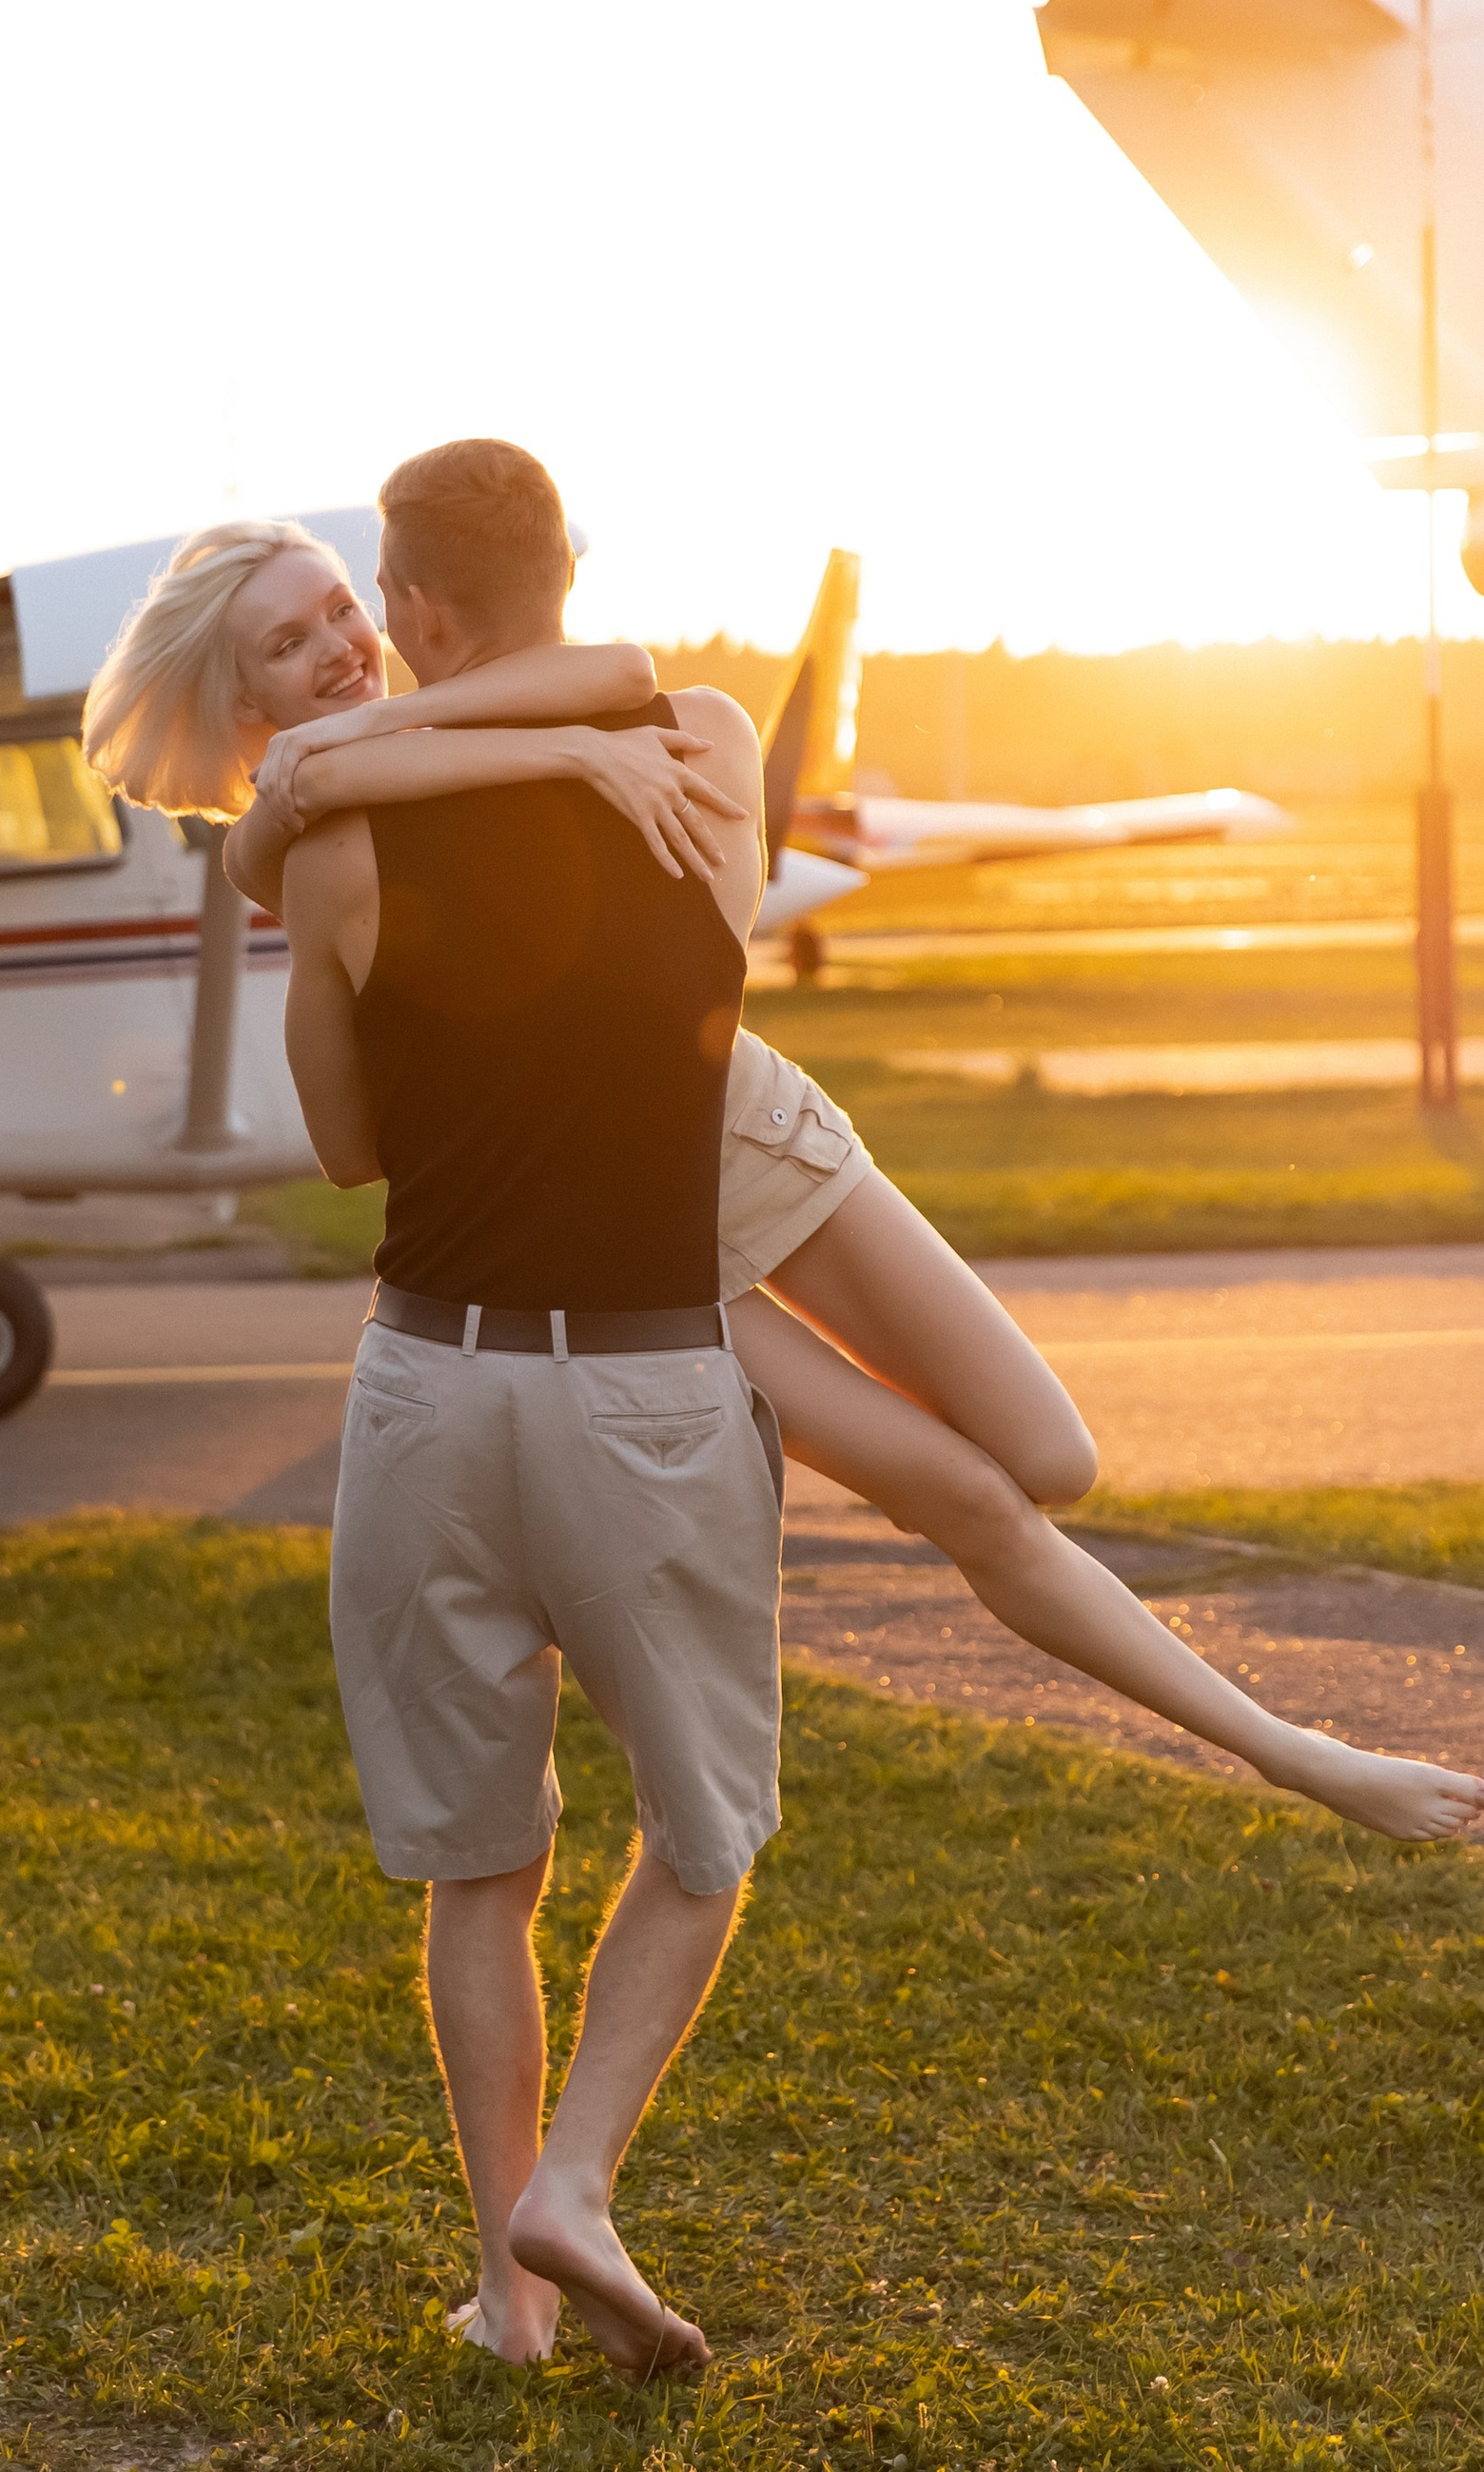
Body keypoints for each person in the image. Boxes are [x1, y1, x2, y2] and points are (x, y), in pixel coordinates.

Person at [83, 466, 1484, 1861]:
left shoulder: (532, 724)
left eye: (343, 608)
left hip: (741, 1138)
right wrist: (506, 759)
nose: (340, 645)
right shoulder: (324, 810)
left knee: (1051, 1456)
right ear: (252, 705)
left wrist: (448, 739)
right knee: (970, 1502)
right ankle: (1302, 1752)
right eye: (292, 643)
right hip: (610, 1234)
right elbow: (294, 819)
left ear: (397, 604)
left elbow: (599, 677)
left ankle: (1289, 1745)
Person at [281, 444, 775, 2376]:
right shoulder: (703, 746)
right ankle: (568, 2181)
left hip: (422, 1381)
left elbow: (338, 1146)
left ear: (407, 610)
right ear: (565, 571)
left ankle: (507, 2295)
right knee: (702, 1833)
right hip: (643, 1377)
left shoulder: (332, 839)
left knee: (478, 1870)